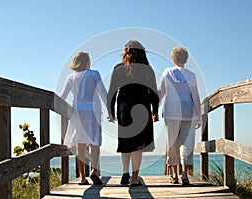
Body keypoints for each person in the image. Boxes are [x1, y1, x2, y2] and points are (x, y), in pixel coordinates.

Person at [107, 40, 159, 186]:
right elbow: (154, 92)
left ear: (126, 52)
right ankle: (135, 178)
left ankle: (125, 174)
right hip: (142, 108)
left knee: (126, 142)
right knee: (137, 144)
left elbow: (112, 92)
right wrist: (155, 111)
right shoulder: (147, 69)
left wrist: (110, 111)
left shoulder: (118, 68)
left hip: (124, 108)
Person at [60, 52, 107, 185]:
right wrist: (110, 110)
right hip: (93, 111)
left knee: (80, 144)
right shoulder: (94, 74)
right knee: (94, 143)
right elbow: (103, 92)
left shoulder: (70, 77)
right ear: (87, 62)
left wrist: (56, 107)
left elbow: (62, 96)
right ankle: (95, 171)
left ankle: (81, 177)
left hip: (78, 112)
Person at [158, 46, 202, 186]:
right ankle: (185, 175)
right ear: (186, 59)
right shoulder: (191, 75)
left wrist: (154, 110)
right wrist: (199, 116)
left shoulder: (167, 72)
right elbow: (195, 96)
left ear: (173, 58)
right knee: (186, 143)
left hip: (171, 112)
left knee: (172, 142)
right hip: (188, 113)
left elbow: (160, 92)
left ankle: (174, 175)